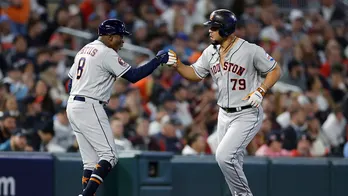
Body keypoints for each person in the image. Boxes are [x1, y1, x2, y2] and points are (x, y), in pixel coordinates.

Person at [169, 9, 282, 196]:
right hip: (224, 114)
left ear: (226, 29)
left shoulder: (250, 50)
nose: (209, 31)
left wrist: (261, 90)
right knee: (231, 161)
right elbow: (196, 74)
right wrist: (178, 65)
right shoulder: (210, 52)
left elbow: (275, 70)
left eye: (214, 27)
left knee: (224, 157)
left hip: (247, 113)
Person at [66, 19, 176, 196]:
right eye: (120, 36)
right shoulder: (106, 52)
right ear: (109, 37)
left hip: (73, 104)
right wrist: (157, 61)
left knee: (90, 162)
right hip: (90, 104)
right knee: (110, 156)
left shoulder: (84, 50)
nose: (123, 41)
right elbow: (134, 76)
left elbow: (69, 84)